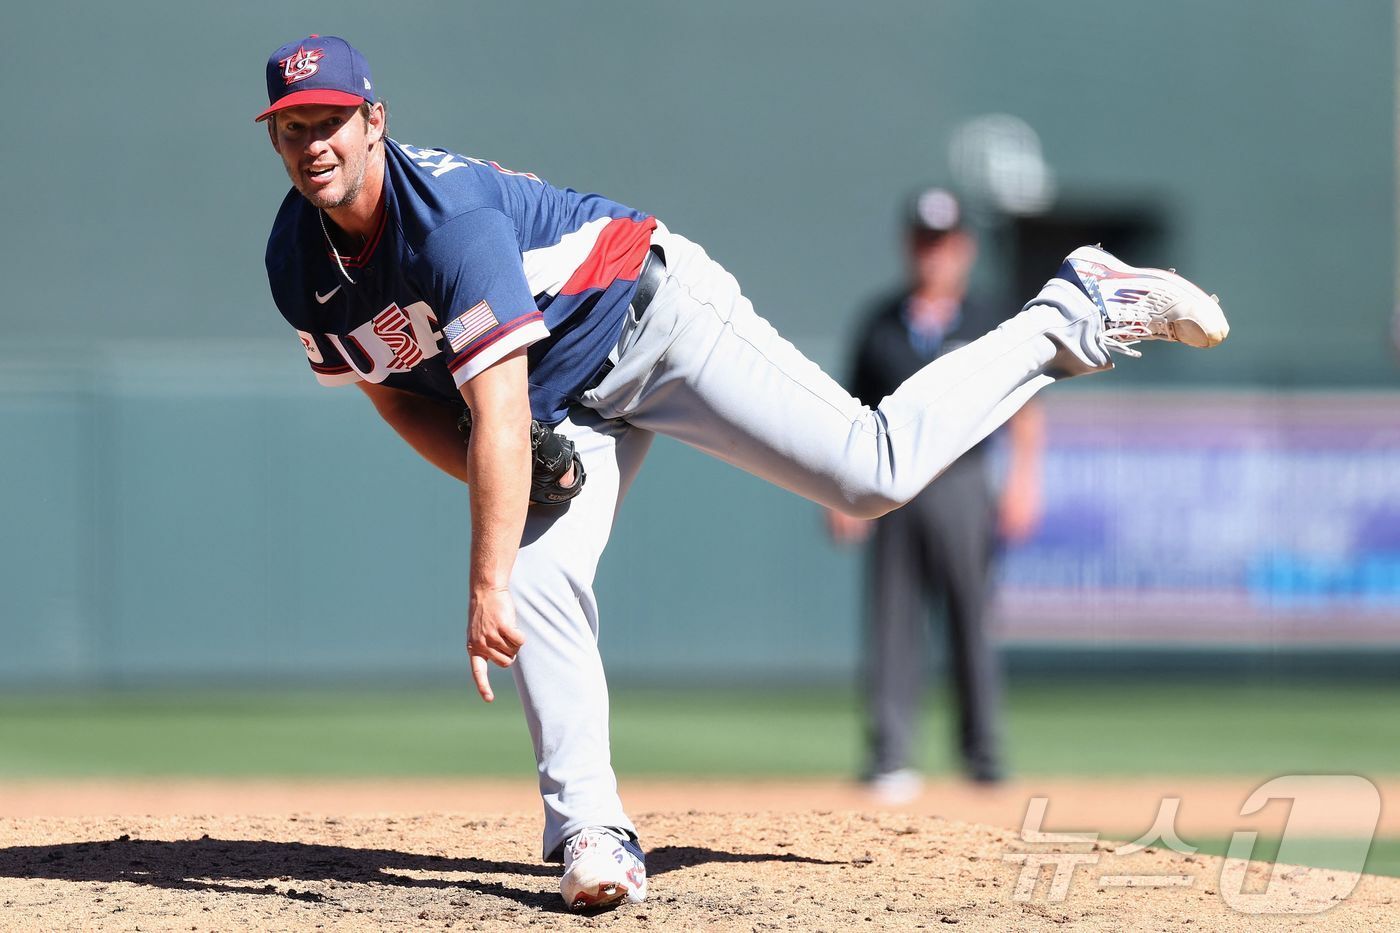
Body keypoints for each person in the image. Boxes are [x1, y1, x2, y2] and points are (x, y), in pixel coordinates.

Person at [256, 35, 1229, 910]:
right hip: (564, 401)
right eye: (292, 126)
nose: (314, 143)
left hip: (651, 320)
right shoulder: (295, 259)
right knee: (544, 584)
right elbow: (395, 396)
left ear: (375, 120)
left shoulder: (448, 221)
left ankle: (1072, 309)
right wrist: (497, 500)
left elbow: (496, 405)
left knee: (870, 469)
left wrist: (482, 577)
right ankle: (590, 832)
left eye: (331, 120)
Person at [828, 188, 1041, 797]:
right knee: (892, 617)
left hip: (964, 480)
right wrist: (838, 495)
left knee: (972, 615)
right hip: (894, 482)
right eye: (925, 242)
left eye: (945, 243)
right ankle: (890, 753)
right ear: (909, 246)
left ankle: (983, 752)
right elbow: (849, 413)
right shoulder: (880, 322)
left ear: (965, 249)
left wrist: (1025, 478)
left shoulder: (988, 321)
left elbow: (1024, 410)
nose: (935, 255)